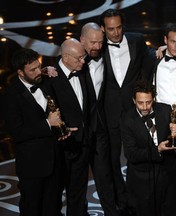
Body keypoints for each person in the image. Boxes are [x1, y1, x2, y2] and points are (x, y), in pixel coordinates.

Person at [1, 48, 73, 216]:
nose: (37, 71)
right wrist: (48, 123)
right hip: (32, 166)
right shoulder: (10, 96)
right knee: (31, 209)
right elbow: (17, 133)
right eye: (32, 70)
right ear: (20, 72)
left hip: (54, 161)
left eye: (38, 66)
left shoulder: (45, 81)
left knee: (53, 207)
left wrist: (62, 128)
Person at [99, 8, 150, 212]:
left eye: (119, 27)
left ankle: (139, 200)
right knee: (111, 162)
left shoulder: (137, 40)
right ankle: (122, 201)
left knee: (137, 157)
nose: (116, 33)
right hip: (108, 113)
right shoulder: (97, 46)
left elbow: (146, 66)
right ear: (103, 29)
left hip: (134, 111)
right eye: (110, 29)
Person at [147, 22, 176, 215]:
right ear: (165, 40)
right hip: (161, 112)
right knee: (161, 159)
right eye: (172, 42)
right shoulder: (153, 57)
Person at [120, 79, 176, 216]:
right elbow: (131, 154)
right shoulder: (126, 119)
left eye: (148, 102)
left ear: (153, 99)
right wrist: (158, 150)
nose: (144, 107)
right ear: (133, 100)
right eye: (140, 103)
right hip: (142, 181)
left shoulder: (166, 110)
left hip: (168, 178)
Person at [46, 38, 90, 216]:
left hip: (83, 142)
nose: (83, 61)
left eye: (83, 56)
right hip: (60, 147)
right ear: (65, 57)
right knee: (55, 192)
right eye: (79, 58)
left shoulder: (83, 70)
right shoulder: (49, 77)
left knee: (78, 191)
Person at [80, 22, 119, 215]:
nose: (97, 47)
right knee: (76, 182)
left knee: (105, 178)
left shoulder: (105, 55)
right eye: (93, 42)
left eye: (100, 42)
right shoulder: (69, 61)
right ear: (82, 40)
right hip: (77, 132)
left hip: (100, 130)